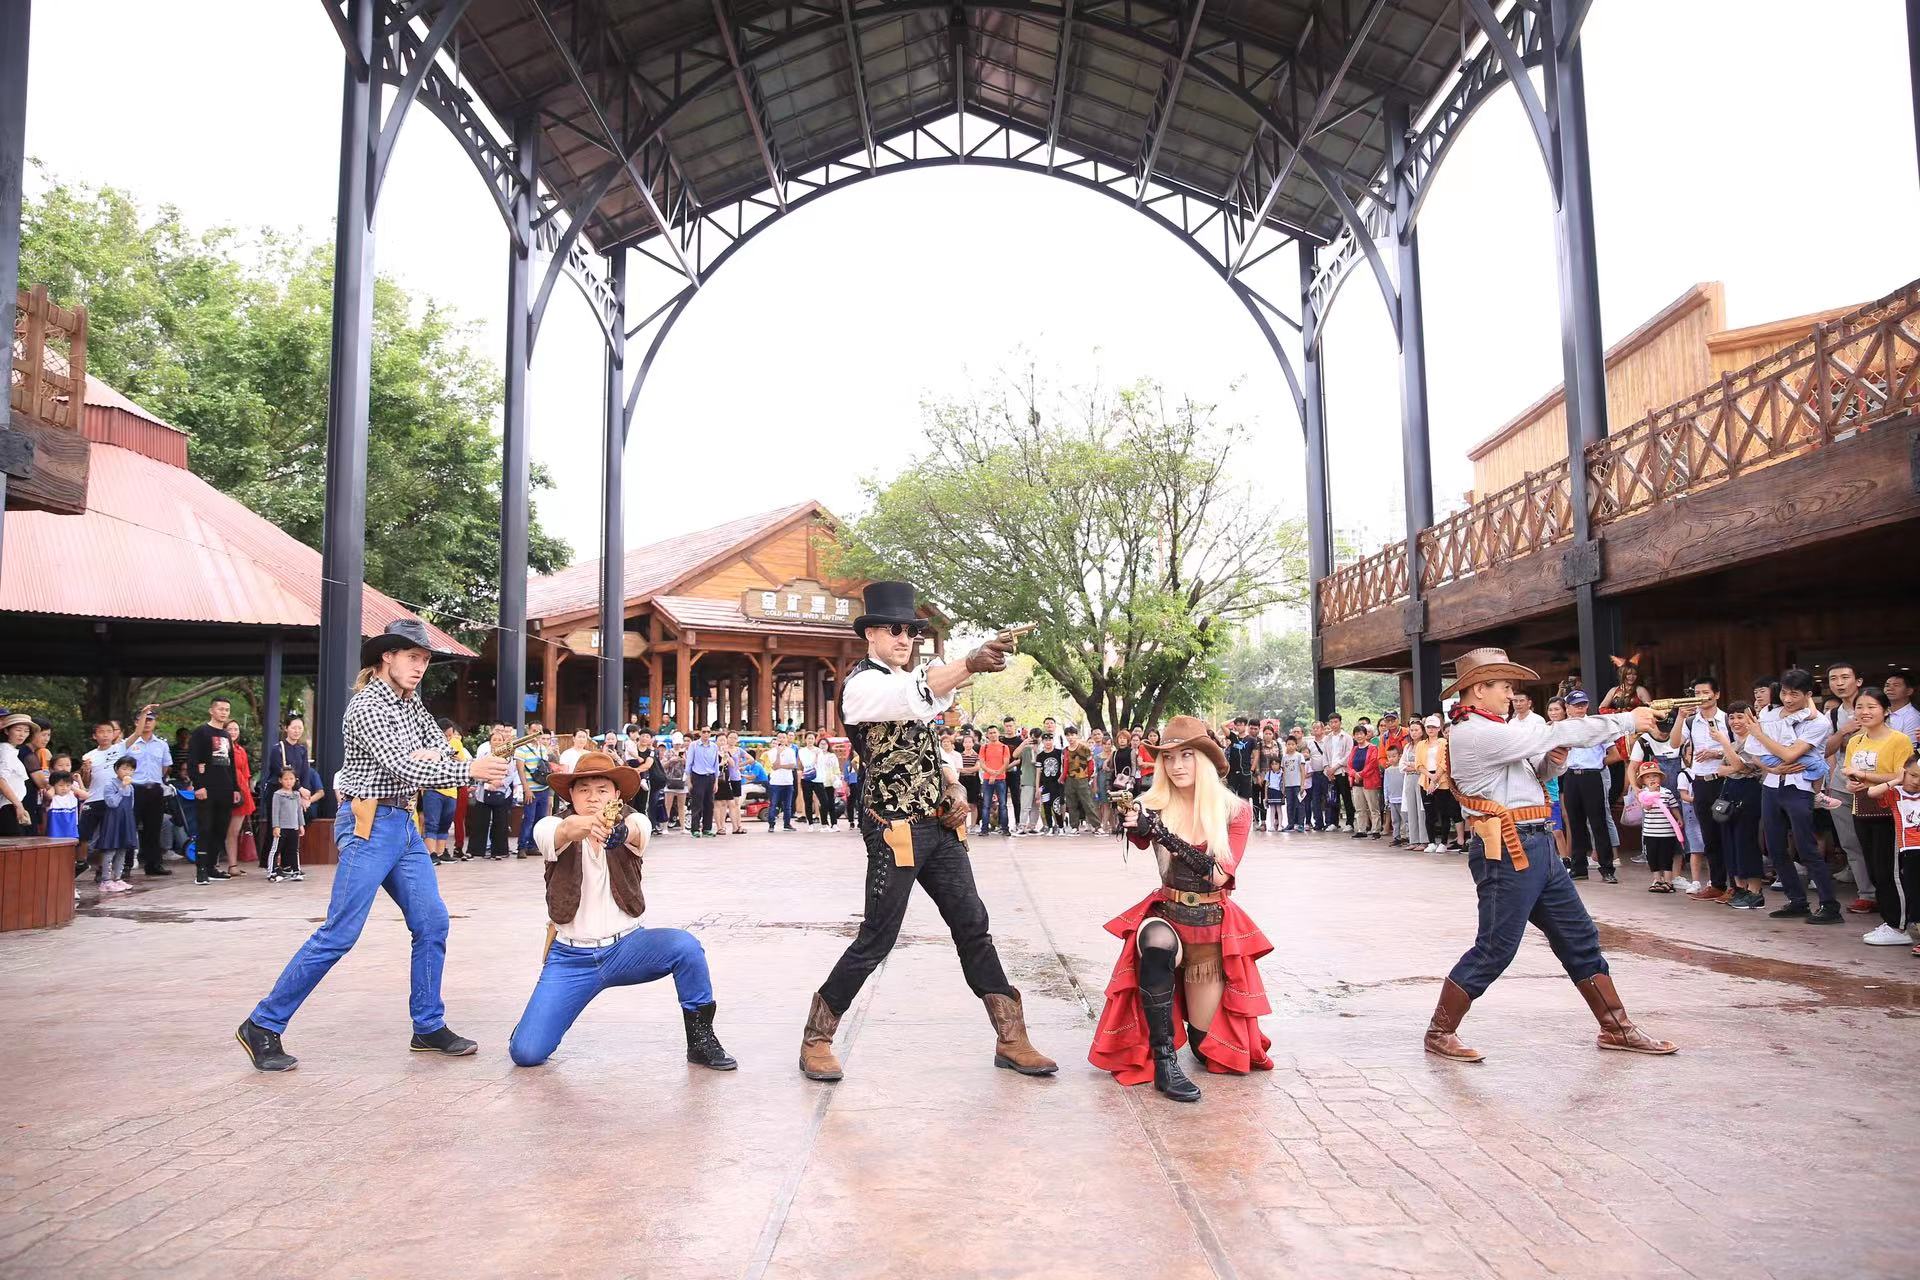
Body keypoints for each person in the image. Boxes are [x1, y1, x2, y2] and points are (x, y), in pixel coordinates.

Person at [799, 581, 1055, 1083]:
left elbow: (931, 748)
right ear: (870, 633)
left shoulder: (910, 680)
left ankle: (1011, 1038)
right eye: (895, 629)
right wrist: (970, 662)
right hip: (893, 828)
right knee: (877, 937)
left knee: (973, 925)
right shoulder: (862, 685)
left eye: (912, 631)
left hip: (939, 826)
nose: (905, 638)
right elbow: (913, 697)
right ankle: (817, 1038)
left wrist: (955, 791)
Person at [236, 619, 511, 1071]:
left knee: (432, 922)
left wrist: (433, 757)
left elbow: (435, 751)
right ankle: (263, 1023)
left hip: (402, 823)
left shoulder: (410, 704)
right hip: (368, 823)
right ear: (387, 656)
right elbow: (407, 767)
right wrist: (466, 771)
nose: (420, 666)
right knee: (340, 933)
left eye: (424, 659)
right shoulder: (366, 707)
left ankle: (427, 1026)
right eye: (412, 657)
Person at [1423, 648, 1676, 1062]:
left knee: (1579, 938)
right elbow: (1554, 734)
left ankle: (1617, 1027)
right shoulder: (1476, 732)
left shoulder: (1490, 727)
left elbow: (1527, 777)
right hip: (1508, 847)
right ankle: (1440, 1031)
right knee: (1496, 947)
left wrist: (1550, 765)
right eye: (1504, 686)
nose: (1511, 694)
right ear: (1478, 689)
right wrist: (1628, 719)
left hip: (1532, 843)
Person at [507, 751, 735, 1071]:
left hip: (627, 947)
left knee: (686, 948)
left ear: (616, 794)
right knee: (527, 1053)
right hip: (571, 959)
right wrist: (586, 825)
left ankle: (700, 1040)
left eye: (602, 790)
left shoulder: (633, 820)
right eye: (584, 790)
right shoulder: (552, 825)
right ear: (571, 795)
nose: (593, 797)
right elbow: (565, 830)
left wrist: (618, 832)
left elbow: (638, 830)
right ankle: (536, 1020)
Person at [1089, 715, 1274, 1101]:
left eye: (1186, 756)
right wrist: (1137, 826)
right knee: (1154, 943)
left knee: (1208, 1051)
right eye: (1168, 758)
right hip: (1167, 914)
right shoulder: (1151, 804)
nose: (1176, 766)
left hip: (1210, 927)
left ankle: (1190, 1034)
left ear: (1204, 760)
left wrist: (1161, 833)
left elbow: (1219, 876)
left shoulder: (1234, 811)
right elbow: (1137, 834)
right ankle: (1164, 1062)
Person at [1743, 667, 1843, 924]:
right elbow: (1755, 752)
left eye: (1795, 694)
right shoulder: (1770, 714)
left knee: (1806, 848)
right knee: (1774, 848)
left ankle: (1830, 905)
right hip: (1772, 785)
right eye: (1785, 693)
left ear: (1808, 694)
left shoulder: (1818, 722)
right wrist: (1770, 766)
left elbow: (1791, 755)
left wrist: (1761, 737)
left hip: (1799, 788)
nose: (1788, 699)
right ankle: (1797, 901)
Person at [1841, 688, 1916, 946]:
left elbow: (1902, 776)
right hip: (1861, 808)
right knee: (1874, 870)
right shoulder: (1855, 741)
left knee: (1890, 870)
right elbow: (1849, 772)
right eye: (1860, 707)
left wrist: (1863, 777)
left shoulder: (1899, 740)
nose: (1864, 712)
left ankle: (1901, 925)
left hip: (1889, 809)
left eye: (1871, 706)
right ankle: (1890, 920)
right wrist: (1852, 782)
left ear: (1885, 710)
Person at [1671, 678, 1732, 902]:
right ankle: (1716, 883)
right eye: (1697, 692)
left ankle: (1736, 885)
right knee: (1709, 835)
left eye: (1706, 692)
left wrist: (1716, 754)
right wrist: (1679, 718)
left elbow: (1741, 749)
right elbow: (1674, 743)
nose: (1701, 697)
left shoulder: (1726, 719)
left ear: (1716, 694)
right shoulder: (1691, 722)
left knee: (1727, 832)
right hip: (1700, 781)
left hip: (1723, 780)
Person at [1709, 705, 1769, 909]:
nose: (1735, 721)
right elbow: (1722, 769)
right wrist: (1730, 765)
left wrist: (1724, 745)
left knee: (1746, 839)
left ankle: (1755, 891)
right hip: (1730, 791)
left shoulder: (1756, 742)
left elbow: (1740, 767)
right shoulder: (1734, 744)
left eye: (1740, 717)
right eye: (1731, 717)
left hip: (1749, 791)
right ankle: (1740, 888)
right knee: (1730, 840)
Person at [1863, 758, 1920, 950]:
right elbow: (1872, 792)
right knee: (1913, 890)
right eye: (1912, 775)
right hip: (1909, 849)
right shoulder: (1896, 793)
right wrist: (1896, 779)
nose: (1916, 781)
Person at [1559, 691, 1616, 882]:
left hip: (1591, 775)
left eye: (1583, 704)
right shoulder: (1561, 728)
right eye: (1576, 705)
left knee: (1598, 822)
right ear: (1567, 707)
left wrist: (1598, 763)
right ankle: (1579, 867)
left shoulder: (1596, 726)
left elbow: (1615, 754)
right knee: (1575, 823)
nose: (1580, 708)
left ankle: (1607, 868)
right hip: (1570, 776)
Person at [187, 698, 238, 884]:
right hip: (207, 788)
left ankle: (212, 866)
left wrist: (235, 788)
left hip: (225, 788)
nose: (224, 712)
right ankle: (201, 869)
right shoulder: (202, 732)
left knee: (220, 828)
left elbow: (231, 764)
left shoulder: (225, 734)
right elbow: (193, 761)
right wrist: (198, 785)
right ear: (211, 710)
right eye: (221, 709)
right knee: (205, 827)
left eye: (227, 709)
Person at [123, 709, 173, 877]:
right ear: (137, 722)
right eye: (144, 719)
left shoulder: (161, 744)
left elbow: (165, 767)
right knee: (130, 827)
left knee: (154, 827)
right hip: (134, 788)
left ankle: (153, 864)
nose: (148, 722)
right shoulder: (129, 743)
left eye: (151, 719)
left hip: (155, 789)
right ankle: (126, 865)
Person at [1626, 760, 1683, 893]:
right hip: (1650, 832)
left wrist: (1679, 818)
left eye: (1655, 775)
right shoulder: (1643, 794)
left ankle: (1668, 881)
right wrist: (1651, 793)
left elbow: (1673, 807)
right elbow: (1647, 807)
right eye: (1647, 776)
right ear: (1643, 781)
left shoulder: (1667, 792)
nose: (1652, 778)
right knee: (1653, 857)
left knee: (1666, 857)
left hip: (1667, 832)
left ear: (1660, 778)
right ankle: (1657, 879)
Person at [92, 757, 140, 894]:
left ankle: (117, 878)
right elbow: (112, 803)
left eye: (131, 770)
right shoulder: (110, 785)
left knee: (122, 849)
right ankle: (105, 880)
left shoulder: (131, 787)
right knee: (110, 850)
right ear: (116, 769)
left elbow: (130, 805)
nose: (128, 772)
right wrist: (122, 787)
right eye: (124, 768)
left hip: (126, 820)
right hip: (113, 820)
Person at [424, 719, 467, 863]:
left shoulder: (456, 743)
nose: (449, 738)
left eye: (450, 735)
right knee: (432, 823)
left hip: (452, 791)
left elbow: (464, 762)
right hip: (434, 790)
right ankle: (431, 853)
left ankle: (441, 852)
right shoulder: (429, 744)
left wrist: (457, 759)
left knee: (445, 824)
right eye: (446, 735)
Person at [514, 726, 554, 855]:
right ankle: (522, 847)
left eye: (539, 730)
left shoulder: (543, 748)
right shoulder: (521, 749)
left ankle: (533, 846)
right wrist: (527, 789)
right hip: (531, 790)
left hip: (543, 788)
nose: (536, 733)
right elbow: (520, 771)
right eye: (533, 730)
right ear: (528, 732)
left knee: (540, 819)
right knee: (528, 819)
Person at [268, 767, 306, 882]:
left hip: (293, 827)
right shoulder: (277, 795)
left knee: (294, 850)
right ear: (280, 780)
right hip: (281, 827)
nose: (288, 781)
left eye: (291, 779)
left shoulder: (297, 795)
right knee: (276, 849)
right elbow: (275, 811)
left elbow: (299, 811)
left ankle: (296, 870)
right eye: (285, 779)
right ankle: (272, 871)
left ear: (295, 780)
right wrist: (276, 826)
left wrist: (301, 825)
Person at [0, 713, 34, 837]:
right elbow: (1, 780)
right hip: (8, 807)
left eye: (26, 731)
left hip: (12, 805)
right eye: (18, 730)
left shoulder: (11, 751)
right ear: (7, 731)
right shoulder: (5, 751)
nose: (22, 734)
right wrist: (18, 805)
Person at [684, 728, 720, 838]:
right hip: (697, 776)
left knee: (709, 804)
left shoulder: (714, 746)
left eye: (708, 732)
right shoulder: (694, 745)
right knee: (697, 803)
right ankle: (695, 829)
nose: (706, 734)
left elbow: (716, 764)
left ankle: (707, 828)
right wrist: (689, 780)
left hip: (710, 777)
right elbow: (689, 763)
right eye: (704, 732)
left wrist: (716, 782)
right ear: (700, 733)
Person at [978, 728, 1011, 836]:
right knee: (986, 805)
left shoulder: (1004, 747)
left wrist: (995, 775)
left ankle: (1005, 828)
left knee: (1003, 805)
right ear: (987, 735)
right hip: (987, 779)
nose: (993, 735)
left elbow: (1006, 763)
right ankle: (984, 829)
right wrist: (991, 774)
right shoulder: (984, 747)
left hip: (1001, 779)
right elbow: (982, 764)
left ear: (998, 734)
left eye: (994, 732)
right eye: (990, 733)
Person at [1063, 727, 1097, 833]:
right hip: (1069, 779)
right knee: (1072, 804)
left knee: (1088, 803)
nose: (1070, 738)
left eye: (1072, 735)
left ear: (1076, 735)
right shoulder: (1065, 750)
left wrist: (1088, 777)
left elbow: (1091, 764)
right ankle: (1074, 826)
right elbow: (1064, 766)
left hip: (1082, 778)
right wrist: (1063, 778)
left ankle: (1097, 826)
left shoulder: (1084, 748)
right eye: (1068, 735)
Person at [765, 733, 798, 831]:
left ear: (787, 739)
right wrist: (778, 754)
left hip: (788, 782)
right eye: (780, 737)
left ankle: (787, 824)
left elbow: (792, 765)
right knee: (773, 804)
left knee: (787, 805)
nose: (782, 739)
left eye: (784, 737)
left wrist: (781, 766)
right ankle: (771, 824)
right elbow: (774, 766)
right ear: (777, 739)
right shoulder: (771, 752)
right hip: (775, 782)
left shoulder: (791, 751)